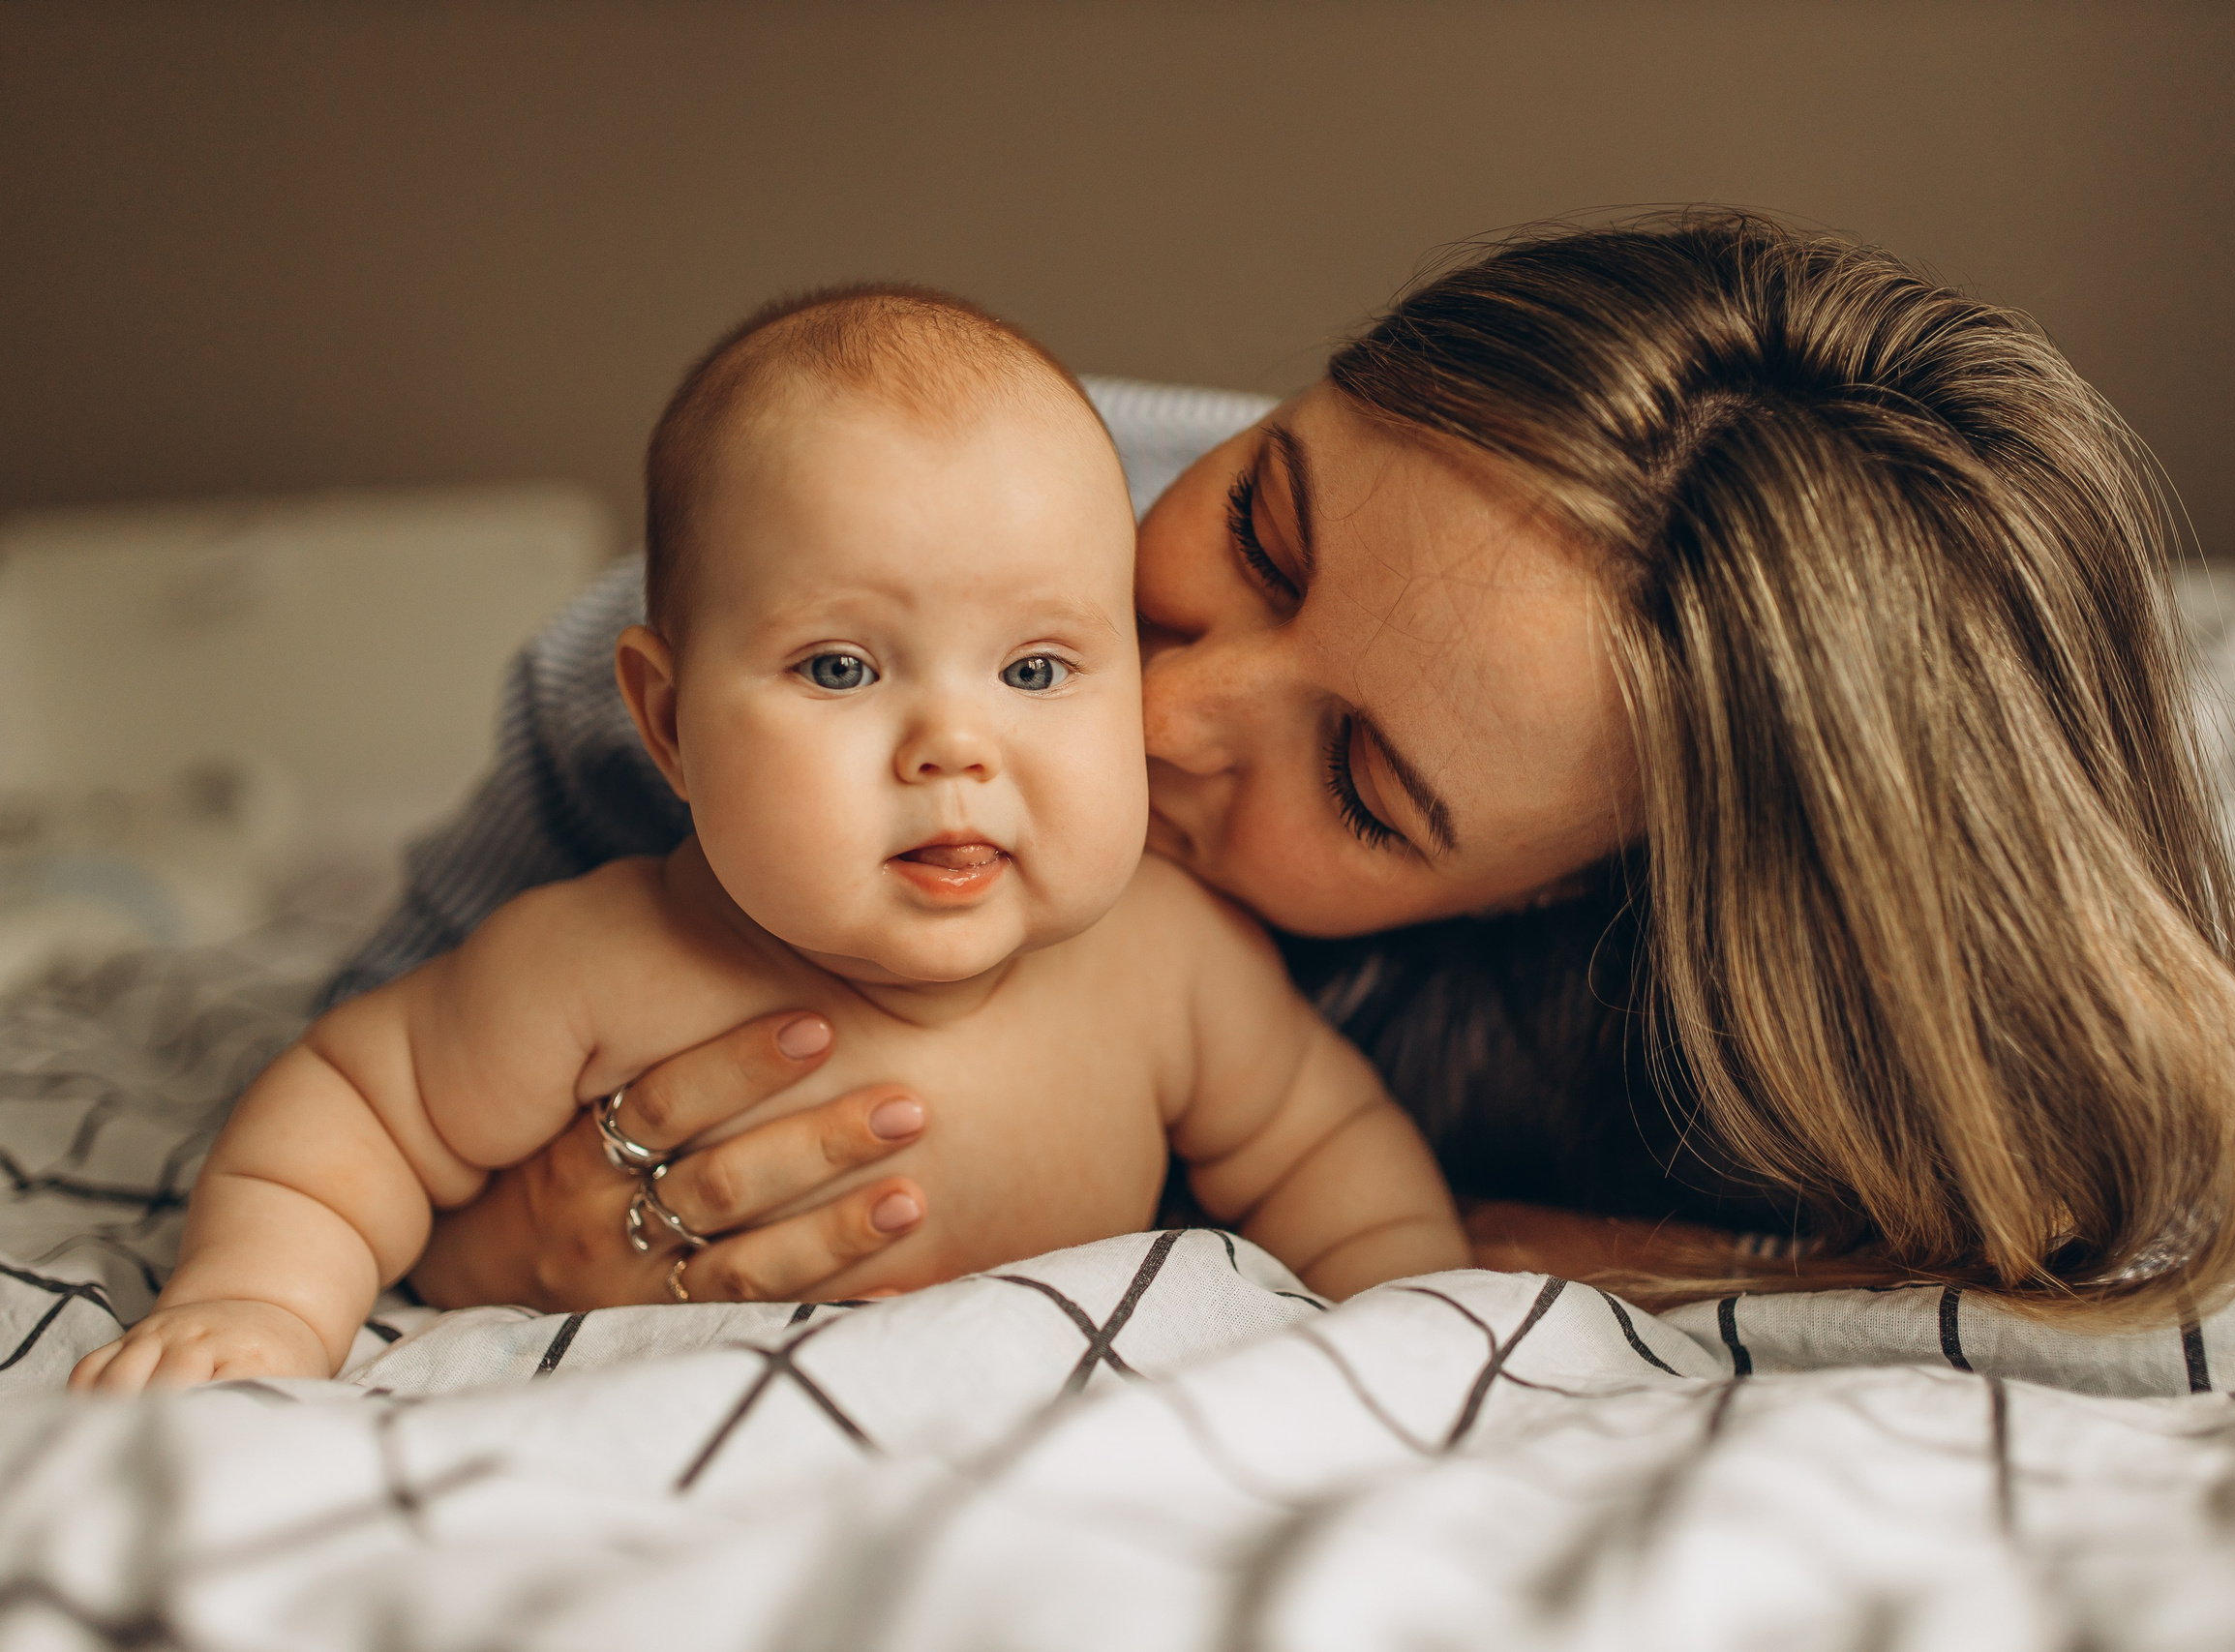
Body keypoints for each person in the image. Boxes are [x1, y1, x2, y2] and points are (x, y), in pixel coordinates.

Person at [387, 210, 2235, 1329]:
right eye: (1256, 532)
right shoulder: (791, 655)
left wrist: (1668, 1256)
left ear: (1560, 895)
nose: (1156, 716)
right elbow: (380, 1055)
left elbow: (2218, 1211)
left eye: (1367, 791)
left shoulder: (1698, 1005)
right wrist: (490, 1256)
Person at [69, 287, 1465, 1390]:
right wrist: (253, 1301)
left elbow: (1324, 1149)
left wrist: (1423, 1318)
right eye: (842, 670)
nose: (953, 746)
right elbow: (349, 1114)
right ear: (667, 727)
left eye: (1036, 671)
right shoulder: (593, 965)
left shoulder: (1175, 964)